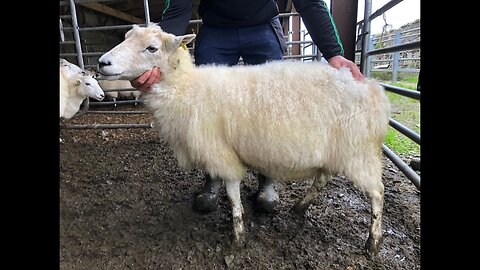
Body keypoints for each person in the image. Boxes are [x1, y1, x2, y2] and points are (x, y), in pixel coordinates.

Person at [131, 0, 364, 213]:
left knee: (269, 107)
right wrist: (156, 54)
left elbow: (310, 2)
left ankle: (267, 178)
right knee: (204, 106)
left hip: (262, 26)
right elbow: (178, 6)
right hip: (216, 30)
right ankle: (214, 174)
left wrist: (334, 52)